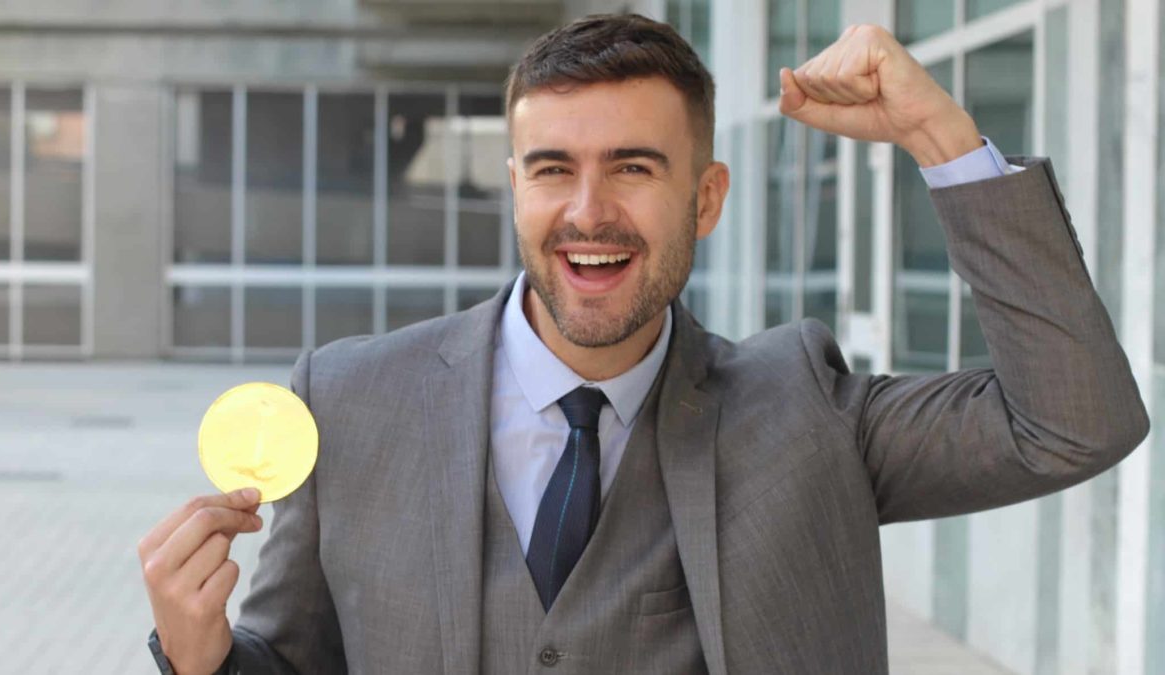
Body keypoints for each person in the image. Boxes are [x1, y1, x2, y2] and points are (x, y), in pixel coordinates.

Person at [138, 14, 1148, 675]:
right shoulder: (350, 400)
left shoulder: (810, 412)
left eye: (632, 167)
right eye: (551, 169)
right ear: (516, 185)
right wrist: (202, 656)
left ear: (704, 198)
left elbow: (1074, 422)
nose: (589, 212)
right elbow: (290, 659)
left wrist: (941, 138)